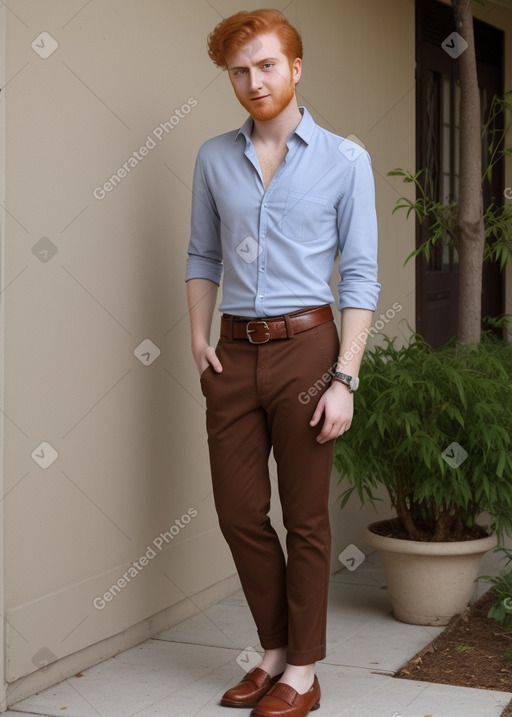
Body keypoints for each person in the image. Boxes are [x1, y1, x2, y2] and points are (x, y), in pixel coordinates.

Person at [185, 9, 380, 716]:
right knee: (239, 511)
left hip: (308, 352)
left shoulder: (344, 161)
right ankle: (271, 649)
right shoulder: (214, 157)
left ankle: (302, 667)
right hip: (232, 354)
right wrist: (199, 335)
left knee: (305, 517)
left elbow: (360, 278)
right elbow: (203, 253)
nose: (253, 81)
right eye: (240, 70)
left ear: (295, 69)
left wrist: (345, 379)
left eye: (267, 65)